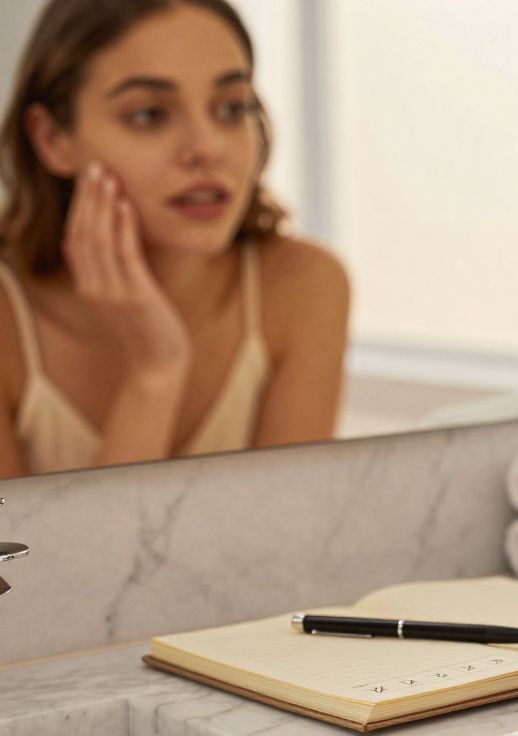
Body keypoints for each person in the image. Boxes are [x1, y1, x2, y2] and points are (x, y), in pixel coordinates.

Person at [0, 0, 350, 479]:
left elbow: (290, 543)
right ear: (52, 140)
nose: (207, 148)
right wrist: (154, 372)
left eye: (231, 107)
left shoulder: (304, 286)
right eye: (149, 115)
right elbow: (35, 559)